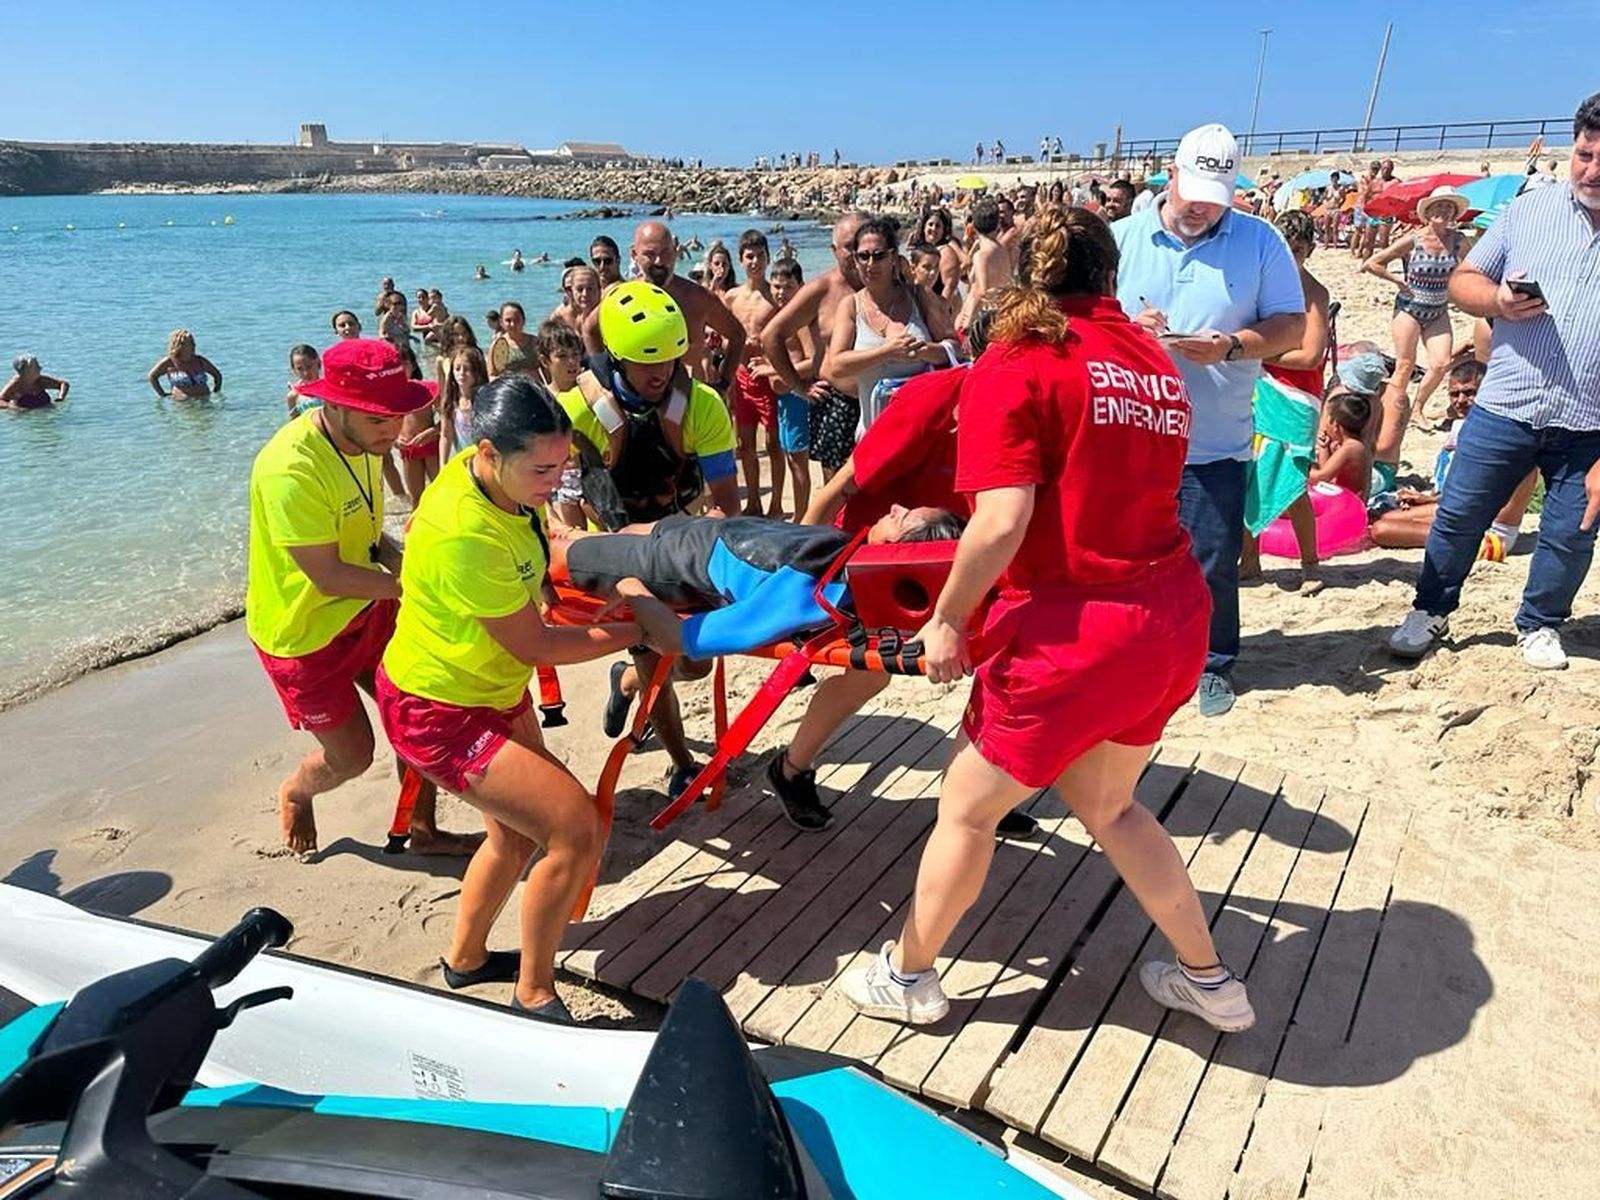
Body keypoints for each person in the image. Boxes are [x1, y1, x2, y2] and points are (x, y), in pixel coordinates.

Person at [840, 205, 1253, 1033]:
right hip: (1170, 619)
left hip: (1075, 634)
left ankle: (910, 976)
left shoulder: (1020, 360)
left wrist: (949, 619)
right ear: (1112, 275)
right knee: (1114, 808)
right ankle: (1212, 983)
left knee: (966, 807)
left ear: (1031, 277)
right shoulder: (1148, 354)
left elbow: (999, 522)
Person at [375, 374, 662, 1022]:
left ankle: (466, 960)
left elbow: (539, 549)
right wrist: (635, 627)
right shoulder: (464, 533)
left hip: (486, 687)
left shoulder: (486, 476)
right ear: (488, 452)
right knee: (574, 830)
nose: (556, 482)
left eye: (563, 465)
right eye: (542, 469)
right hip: (437, 710)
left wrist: (613, 564)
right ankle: (534, 995)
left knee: (512, 835)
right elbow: (536, 645)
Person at [1387, 93, 1600, 671]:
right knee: (1458, 515)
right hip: (1506, 405)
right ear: (1572, 148)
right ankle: (1430, 608)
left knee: (1570, 532)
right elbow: (1465, 279)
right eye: (1584, 154)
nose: (1593, 170)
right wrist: (1500, 302)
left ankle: (1540, 622)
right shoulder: (1529, 211)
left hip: (1590, 425)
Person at [246, 338, 475, 858]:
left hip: (367, 609)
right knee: (353, 757)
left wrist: (419, 565)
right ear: (332, 406)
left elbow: (371, 542)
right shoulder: (290, 469)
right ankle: (297, 791)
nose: (393, 431)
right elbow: (327, 575)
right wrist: (420, 586)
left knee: (421, 712)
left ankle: (422, 827)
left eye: (397, 415)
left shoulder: (366, 443)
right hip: (301, 633)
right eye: (378, 420)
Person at [1114, 123, 1306, 717]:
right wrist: (1126, 332)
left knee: (1212, 559)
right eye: (1191, 192)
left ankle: (1213, 663)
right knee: (1124, 557)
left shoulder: (1260, 241)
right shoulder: (1120, 236)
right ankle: (1135, 655)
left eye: (1213, 198)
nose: (1200, 209)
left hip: (1215, 436)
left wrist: (1232, 344)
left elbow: (1291, 328)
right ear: (1168, 176)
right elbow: (1076, 321)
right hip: (1126, 438)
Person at [564, 281, 741, 798]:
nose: (661, 372)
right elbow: (562, 499)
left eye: (669, 358)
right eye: (647, 363)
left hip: (681, 540)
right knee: (654, 653)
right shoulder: (575, 412)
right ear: (616, 357)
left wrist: (706, 538)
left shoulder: (702, 406)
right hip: (618, 549)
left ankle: (624, 682)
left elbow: (726, 502)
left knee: (695, 661)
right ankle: (683, 763)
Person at [555, 507, 963, 660]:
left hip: (682, 562)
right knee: (597, 535)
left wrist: (631, 588)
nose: (894, 507)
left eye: (905, 516)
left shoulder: (817, 593)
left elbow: (683, 640)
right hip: (709, 532)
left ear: (899, 549)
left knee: (558, 554)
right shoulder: (848, 553)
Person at [1362, 186, 1470, 494]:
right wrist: (1396, 279)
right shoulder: (1414, 239)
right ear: (1428, 212)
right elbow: (1373, 262)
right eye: (1438, 207)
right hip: (1409, 307)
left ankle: (1417, 407)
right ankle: (1393, 413)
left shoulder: (1459, 242)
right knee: (1405, 364)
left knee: (1441, 363)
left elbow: (1473, 270)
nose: (1443, 213)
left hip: (1438, 309)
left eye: (1449, 208)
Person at [1248, 209, 1334, 592]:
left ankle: (1311, 564)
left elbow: (1311, 355)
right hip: (1260, 387)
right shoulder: (1262, 282)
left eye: (1298, 249)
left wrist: (1252, 352)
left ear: (1310, 250)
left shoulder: (1314, 293)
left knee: (1292, 480)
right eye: (1286, 248)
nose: (1292, 256)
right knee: (1248, 471)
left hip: (1297, 394)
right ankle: (1249, 561)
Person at [1370, 360, 1537, 554]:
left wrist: (1430, 502)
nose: (1460, 400)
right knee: (1384, 517)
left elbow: (1485, 502)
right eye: (1454, 394)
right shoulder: (1465, 428)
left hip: (1491, 534)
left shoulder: (1500, 437)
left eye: (1469, 393)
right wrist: (1428, 499)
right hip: (1464, 511)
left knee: (1382, 529)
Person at [825, 216, 959, 439]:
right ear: (856, 261)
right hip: (873, 435)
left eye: (878, 256)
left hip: (923, 436)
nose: (870, 264)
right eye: (863, 256)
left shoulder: (919, 296)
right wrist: (886, 352)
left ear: (893, 258)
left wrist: (924, 351)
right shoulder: (850, 306)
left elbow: (955, 348)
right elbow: (837, 364)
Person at [761, 212, 871, 479]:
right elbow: (771, 336)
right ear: (834, 251)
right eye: (848, 246)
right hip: (838, 403)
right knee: (838, 491)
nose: (856, 252)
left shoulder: (888, 283)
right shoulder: (820, 290)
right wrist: (799, 387)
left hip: (882, 399)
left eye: (861, 244)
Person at [581, 221, 746, 396]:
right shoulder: (623, 297)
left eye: (665, 252)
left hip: (690, 405)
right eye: (650, 254)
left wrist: (723, 384)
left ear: (675, 250)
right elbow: (590, 330)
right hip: (639, 406)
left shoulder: (697, 298)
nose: (659, 261)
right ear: (634, 254)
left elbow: (737, 335)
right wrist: (605, 381)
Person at [721, 229, 787, 516]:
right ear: (740, 260)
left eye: (760, 255)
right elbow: (722, 336)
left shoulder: (775, 297)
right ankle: (754, 502)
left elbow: (789, 337)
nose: (755, 262)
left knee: (774, 443)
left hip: (768, 378)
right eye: (750, 256)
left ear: (768, 258)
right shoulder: (732, 297)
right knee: (745, 443)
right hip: (741, 377)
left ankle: (774, 503)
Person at [760, 258, 821, 521]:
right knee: (789, 457)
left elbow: (814, 362)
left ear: (801, 287)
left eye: (788, 287)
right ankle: (800, 513)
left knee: (798, 461)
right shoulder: (781, 318)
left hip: (797, 398)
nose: (781, 293)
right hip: (784, 399)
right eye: (776, 287)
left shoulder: (801, 321)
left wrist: (772, 371)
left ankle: (801, 516)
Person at [534, 320, 588, 528]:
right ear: (545, 361)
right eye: (562, 356)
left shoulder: (589, 389)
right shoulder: (543, 398)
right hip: (560, 478)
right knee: (573, 537)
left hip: (590, 473)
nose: (571, 362)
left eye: (575, 354)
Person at [957, 199, 1009, 334]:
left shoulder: (982, 256)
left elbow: (982, 290)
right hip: (999, 313)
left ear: (973, 224)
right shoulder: (1001, 249)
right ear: (997, 224)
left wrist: (967, 322)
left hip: (978, 316)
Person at [440, 345, 487, 461]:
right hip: (463, 460)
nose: (461, 373)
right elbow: (446, 436)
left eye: (467, 369)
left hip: (484, 461)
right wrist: (443, 465)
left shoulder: (485, 399)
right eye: (457, 368)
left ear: (477, 371)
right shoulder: (451, 401)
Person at [148, 329, 222, 399]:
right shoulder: (169, 362)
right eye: (189, 343)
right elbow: (152, 376)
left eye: (193, 342)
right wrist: (162, 395)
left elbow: (217, 375)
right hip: (183, 406)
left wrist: (216, 393)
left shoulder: (200, 360)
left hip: (204, 402)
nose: (193, 345)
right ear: (179, 346)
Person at [488, 301, 537, 379]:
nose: (513, 324)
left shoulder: (535, 343)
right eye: (508, 320)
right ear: (501, 322)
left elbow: (547, 371)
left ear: (523, 320)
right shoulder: (497, 345)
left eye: (517, 320)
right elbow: (492, 375)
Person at [2, 354, 69, 409]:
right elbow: (1, 400)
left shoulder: (40, 380)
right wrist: (13, 407)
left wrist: (61, 397)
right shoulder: (16, 384)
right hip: (26, 418)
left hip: (46, 414)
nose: (40, 368)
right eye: (36, 367)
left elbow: (63, 384)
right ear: (26, 371)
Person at [550, 264, 601, 335]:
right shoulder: (559, 315)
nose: (585, 294)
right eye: (580, 289)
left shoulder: (607, 313)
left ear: (599, 289)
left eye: (590, 289)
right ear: (572, 291)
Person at [285, 344, 321, 418]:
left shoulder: (330, 388)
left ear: (318, 363)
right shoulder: (293, 396)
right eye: (300, 369)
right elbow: (294, 424)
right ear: (294, 370)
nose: (306, 373)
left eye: (309, 366)